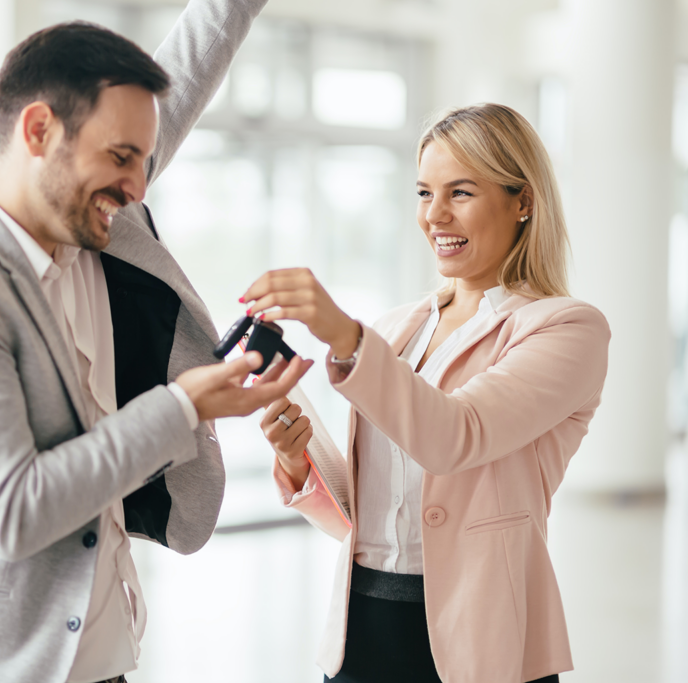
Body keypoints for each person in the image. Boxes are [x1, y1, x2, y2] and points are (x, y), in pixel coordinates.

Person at [0, 3, 312, 682]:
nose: (139, 187)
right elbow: (14, 511)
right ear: (39, 130)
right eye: (122, 159)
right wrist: (182, 407)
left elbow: (185, 74)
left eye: (142, 158)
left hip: (101, 661)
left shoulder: (81, 206)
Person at [242, 103, 610, 683]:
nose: (434, 215)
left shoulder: (566, 328)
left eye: (460, 192)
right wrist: (297, 456)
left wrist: (343, 334)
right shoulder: (394, 330)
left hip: (483, 640)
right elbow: (363, 519)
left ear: (523, 202)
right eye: (422, 193)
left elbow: (456, 436)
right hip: (359, 632)